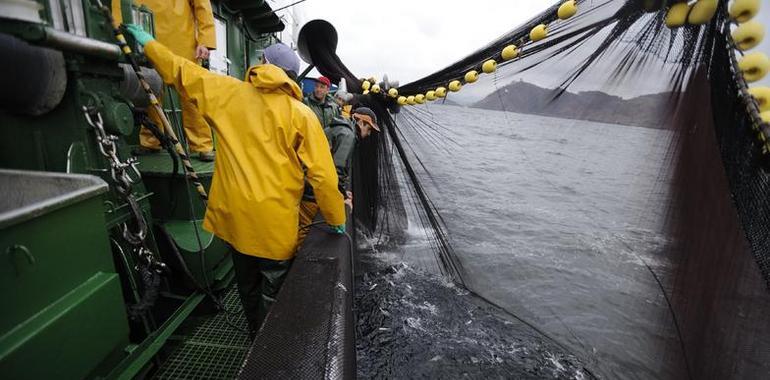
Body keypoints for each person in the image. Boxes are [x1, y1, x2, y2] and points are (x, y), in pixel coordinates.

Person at [124, 25, 347, 335]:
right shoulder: (302, 115)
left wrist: (149, 44)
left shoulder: (227, 93)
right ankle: (266, 351)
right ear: (290, 77)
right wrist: (336, 218)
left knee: (248, 289)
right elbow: (322, 177)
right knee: (274, 296)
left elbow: (180, 71)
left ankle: (253, 334)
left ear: (263, 65)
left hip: (236, 223)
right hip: (274, 230)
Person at [132, 0, 218, 161]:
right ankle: (151, 141)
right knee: (150, 93)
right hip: (147, 41)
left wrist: (205, 42)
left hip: (183, 44)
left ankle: (202, 145)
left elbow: (203, 8)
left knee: (191, 97)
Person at [298, 107, 380, 244]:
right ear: (361, 122)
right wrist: (341, 198)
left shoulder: (340, 128)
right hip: (311, 190)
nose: (369, 133)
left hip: (307, 181)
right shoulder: (348, 135)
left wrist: (342, 192)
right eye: (369, 128)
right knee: (305, 234)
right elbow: (337, 169)